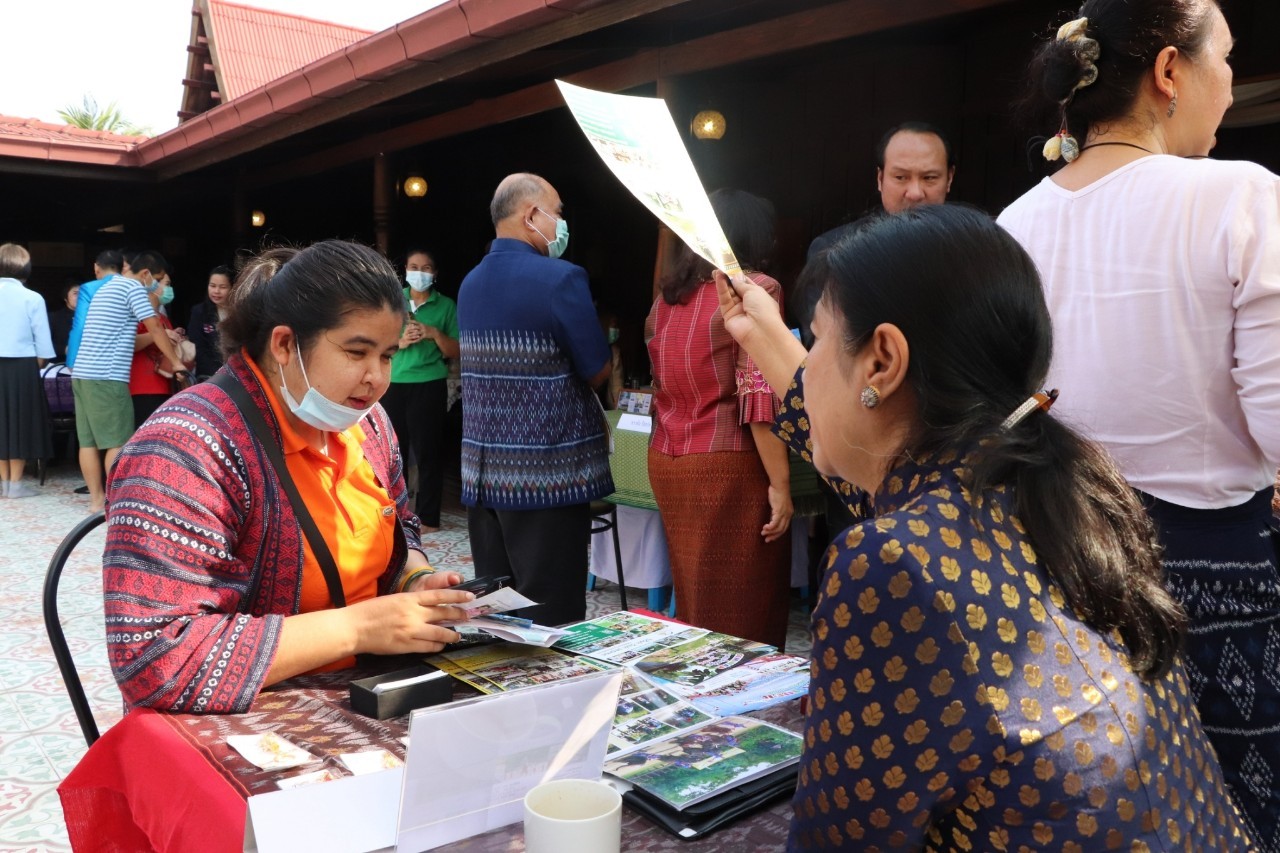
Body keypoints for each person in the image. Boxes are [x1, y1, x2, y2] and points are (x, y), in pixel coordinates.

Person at [716, 204, 1255, 850]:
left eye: (818, 338)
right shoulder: (1052, 483)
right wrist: (766, 334)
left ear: (882, 360)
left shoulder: (891, 562)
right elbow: (867, 467)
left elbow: (838, 841)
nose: (808, 368)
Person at [997, 1, 1280, 842]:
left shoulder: (1014, 224)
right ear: (1168, 72)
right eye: (1224, 60)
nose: (1229, 84)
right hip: (1210, 582)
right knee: (1231, 816)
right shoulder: (1241, 195)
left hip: (1058, 573)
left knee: (1094, 818)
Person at [103, 240, 475, 714]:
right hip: (245, 718)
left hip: (367, 691)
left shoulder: (368, 424)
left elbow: (400, 525)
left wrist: (414, 578)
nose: (377, 379)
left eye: (386, 355)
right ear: (283, 344)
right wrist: (358, 628)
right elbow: (155, 658)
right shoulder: (186, 447)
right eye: (356, 352)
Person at [458, 173, 613, 626]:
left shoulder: (470, 282)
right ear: (531, 216)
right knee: (552, 615)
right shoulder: (560, 278)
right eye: (557, 213)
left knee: (498, 612)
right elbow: (597, 368)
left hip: (484, 476)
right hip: (547, 476)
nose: (561, 223)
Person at [646, 188, 792, 648]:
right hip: (727, 465)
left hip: (668, 458)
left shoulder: (668, 298)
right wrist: (781, 485)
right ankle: (739, 690)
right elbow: (758, 396)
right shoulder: (757, 288)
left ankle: (694, 680)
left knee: (695, 596)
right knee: (742, 605)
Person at [73, 251, 188, 514]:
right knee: (117, 442)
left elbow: (128, 336)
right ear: (145, 274)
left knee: (88, 443)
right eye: (157, 278)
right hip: (107, 376)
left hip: (82, 374)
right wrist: (176, 362)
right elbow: (155, 327)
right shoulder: (133, 289)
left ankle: (96, 501)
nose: (157, 285)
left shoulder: (106, 288)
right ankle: (116, 502)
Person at [382, 248, 458, 534]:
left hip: (429, 383)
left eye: (426, 268)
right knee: (393, 453)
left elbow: (455, 350)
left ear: (434, 274)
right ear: (405, 270)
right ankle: (394, 515)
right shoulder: (392, 301)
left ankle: (429, 518)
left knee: (429, 451)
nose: (419, 273)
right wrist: (399, 342)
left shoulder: (446, 305)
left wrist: (434, 333)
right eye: (414, 267)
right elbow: (375, 342)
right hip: (394, 383)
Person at [807, 122, 956, 260]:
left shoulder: (967, 246)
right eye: (900, 177)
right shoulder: (835, 250)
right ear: (880, 179)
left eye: (929, 178)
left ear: (949, 179)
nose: (915, 193)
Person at [0, 244, 54, 498]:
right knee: (20, 423)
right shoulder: (32, 297)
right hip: (23, 365)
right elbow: (43, 345)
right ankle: (16, 485)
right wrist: (35, 367)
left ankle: (4, 484)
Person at [128, 269, 188, 428]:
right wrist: (158, 335)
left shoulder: (163, 318)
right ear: (152, 285)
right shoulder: (136, 314)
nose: (169, 289)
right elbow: (130, 343)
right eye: (166, 284)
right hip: (141, 388)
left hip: (165, 387)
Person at [65, 249, 124, 369]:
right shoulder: (133, 287)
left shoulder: (89, 288)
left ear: (96, 267)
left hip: (92, 363)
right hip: (122, 362)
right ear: (122, 269)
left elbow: (80, 326)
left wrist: (71, 361)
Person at [187, 265, 232, 380]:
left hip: (236, 373)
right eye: (212, 286)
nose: (216, 291)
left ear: (232, 288)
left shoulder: (240, 312)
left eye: (222, 287)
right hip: (208, 376)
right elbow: (198, 347)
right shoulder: (199, 312)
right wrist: (219, 373)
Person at [48, 280, 78, 362]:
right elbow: (44, 344)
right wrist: (64, 349)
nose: (80, 296)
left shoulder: (92, 317)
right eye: (75, 293)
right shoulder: (54, 317)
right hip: (58, 364)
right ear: (65, 297)